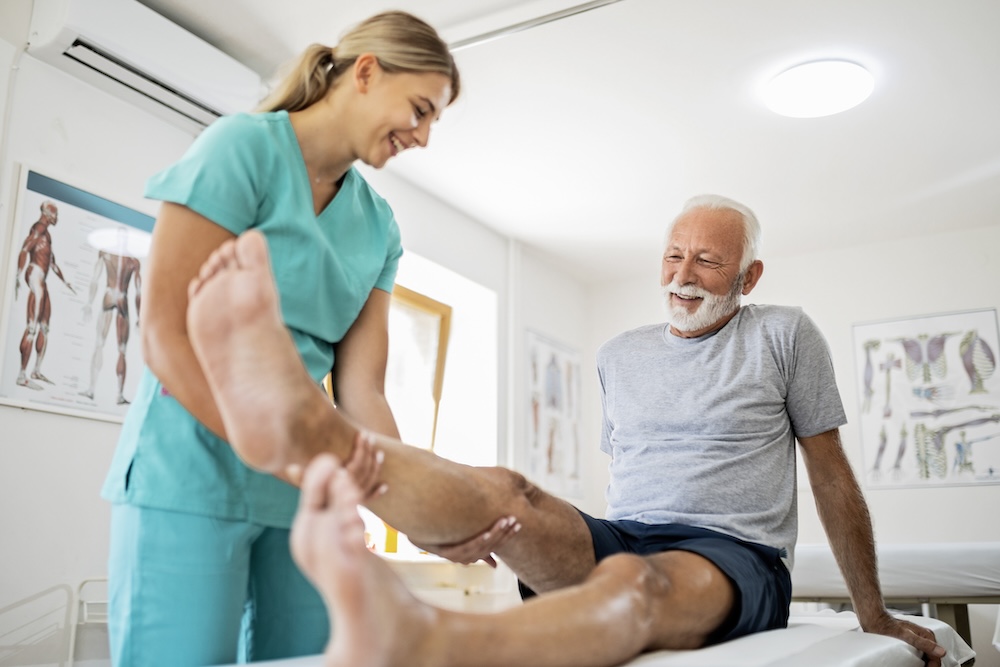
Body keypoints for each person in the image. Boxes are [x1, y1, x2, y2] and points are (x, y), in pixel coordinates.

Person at [184, 194, 948, 667]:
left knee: (634, 582)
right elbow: (627, 477)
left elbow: (831, 474)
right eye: (674, 254)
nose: (683, 273)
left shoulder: (785, 335)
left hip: (733, 554)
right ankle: (312, 426)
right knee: (508, 489)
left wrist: (871, 610)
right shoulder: (620, 355)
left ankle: (430, 640)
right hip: (623, 529)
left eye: (709, 261)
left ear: (748, 277)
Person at [99, 11, 467, 667]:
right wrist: (272, 448)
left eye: (434, 120)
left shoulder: (379, 226)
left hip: (303, 492)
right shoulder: (241, 148)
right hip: (189, 473)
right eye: (419, 108)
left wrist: (419, 505)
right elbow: (163, 333)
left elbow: (362, 391)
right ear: (365, 72)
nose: (425, 136)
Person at [13, 200, 75, 389]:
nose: (57, 218)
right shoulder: (39, 228)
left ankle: (36, 370)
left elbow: (52, 263)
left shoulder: (47, 235)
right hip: (35, 274)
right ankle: (21, 375)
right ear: (47, 214)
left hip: (43, 278)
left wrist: (65, 281)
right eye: (55, 214)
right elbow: (25, 248)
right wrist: (17, 274)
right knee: (32, 327)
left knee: (45, 327)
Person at [79, 249, 142, 404]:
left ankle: (92, 390)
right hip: (122, 297)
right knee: (121, 351)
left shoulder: (107, 255)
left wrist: (89, 302)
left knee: (100, 344)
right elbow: (138, 292)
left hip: (109, 294)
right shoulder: (133, 261)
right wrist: (139, 317)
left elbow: (95, 278)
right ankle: (118, 395)